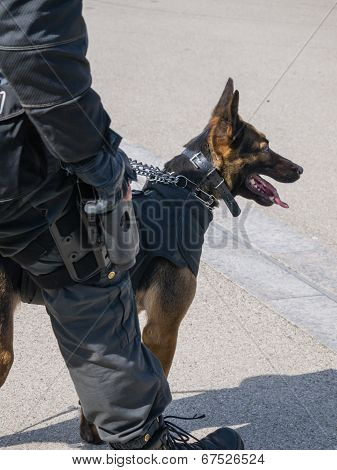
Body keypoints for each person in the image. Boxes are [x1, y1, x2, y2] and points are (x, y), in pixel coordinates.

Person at [0, 0, 243, 450]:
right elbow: (43, 63)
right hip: (18, 171)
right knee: (94, 280)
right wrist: (106, 168)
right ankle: (138, 439)